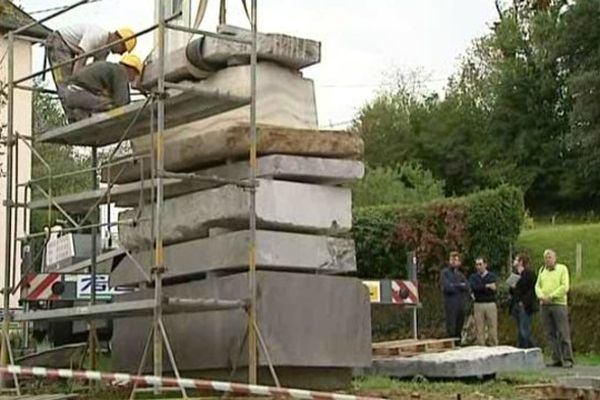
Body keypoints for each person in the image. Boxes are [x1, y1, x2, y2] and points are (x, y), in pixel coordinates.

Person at [46, 24, 137, 89]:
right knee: (65, 84)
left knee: (76, 87)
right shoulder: (97, 36)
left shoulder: (104, 51)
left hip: (72, 50)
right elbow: (81, 59)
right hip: (59, 42)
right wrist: (75, 85)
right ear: (119, 40)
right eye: (123, 50)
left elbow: (95, 72)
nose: (121, 54)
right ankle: (73, 113)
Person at [60, 54, 143, 122]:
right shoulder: (121, 71)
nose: (132, 79)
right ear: (132, 70)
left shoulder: (110, 68)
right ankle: (91, 117)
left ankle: (81, 113)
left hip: (71, 93)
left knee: (103, 100)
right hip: (78, 93)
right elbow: (122, 103)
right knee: (110, 105)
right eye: (135, 76)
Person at [535, 249, 574, 368]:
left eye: (550, 257)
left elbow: (564, 286)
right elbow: (537, 286)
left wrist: (551, 296)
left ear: (555, 258)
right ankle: (556, 358)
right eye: (546, 257)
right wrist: (541, 296)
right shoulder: (542, 270)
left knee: (563, 331)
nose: (547, 259)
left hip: (558, 304)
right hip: (544, 305)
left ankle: (567, 358)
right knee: (549, 333)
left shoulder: (562, 269)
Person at [510, 252, 538, 348]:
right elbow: (512, 291)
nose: (514, 261)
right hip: (516, 305)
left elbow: (532, 290)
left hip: (525, 306)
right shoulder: (515, 275)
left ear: (521, 262)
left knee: (524, 329)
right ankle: (522, 348)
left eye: (516, 260)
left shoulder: (529, 274)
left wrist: (524, 302)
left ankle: (532, 348)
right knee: (519, 330)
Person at [469, 256, 498, 346]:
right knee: (479, 327)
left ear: (485, 265)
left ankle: (493, 345)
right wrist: (486, 286)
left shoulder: (492, 276)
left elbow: (494, 288)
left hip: (490, 304)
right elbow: (474, 287)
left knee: (492, 326)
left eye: (480, 264)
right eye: (477, 265)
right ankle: (481, 346)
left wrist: (482, 287)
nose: (478, 267)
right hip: (478, 304)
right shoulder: (473, 277)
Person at [441, 251, 469, 340]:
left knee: (459, 325)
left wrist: (455, 285)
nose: (454, 262)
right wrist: (459, 286)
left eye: (456, 260)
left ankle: (458, 343)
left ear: (459, 262)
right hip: (450, 304)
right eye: (452, 259)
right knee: (451, 326)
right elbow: (447, 287)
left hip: (460, 304)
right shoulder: (445, 273)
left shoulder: (461, 275)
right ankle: (451, 343)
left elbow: (467, 286)